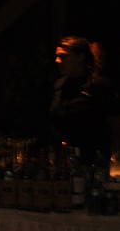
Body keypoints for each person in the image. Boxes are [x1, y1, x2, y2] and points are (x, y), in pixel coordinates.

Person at [49, 35, 120, 164]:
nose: (58, 61)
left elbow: (115, 126)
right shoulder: (60, 85)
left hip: (92, 160)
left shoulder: (98, 85)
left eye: (64, 56)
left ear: (80, 57)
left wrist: (107, 157)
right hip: (63, 160)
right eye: (57, 56)